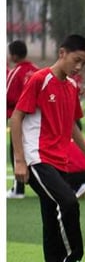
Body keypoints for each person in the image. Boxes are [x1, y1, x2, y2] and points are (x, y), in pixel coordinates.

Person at [10, 34, 85, 262]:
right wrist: (19, 160)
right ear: (62, 53)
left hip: (59, 162)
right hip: (37, 160)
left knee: (51, 224)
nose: (78, 68)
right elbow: (16, 119)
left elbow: (73, 126)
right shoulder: (40, 80)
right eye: (76, 61)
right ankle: (74, 259)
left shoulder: (72, 86)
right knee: (69, 203)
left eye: (84, 64)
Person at [7, 40, 37, 199]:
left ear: (14, 55)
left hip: (19, 119)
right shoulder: (37, 70)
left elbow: (8, 96)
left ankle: (18, 189)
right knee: (37, 153)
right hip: (37, 121)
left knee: (16, 151)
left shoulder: (16, 72)